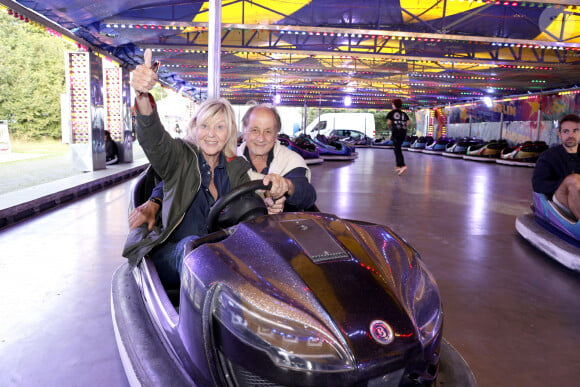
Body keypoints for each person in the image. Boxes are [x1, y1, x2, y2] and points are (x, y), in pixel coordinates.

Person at [122, 49, 292, 286]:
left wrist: (270, 202)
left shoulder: (236, 169)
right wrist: (142, 95)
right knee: (195, 248)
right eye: (205, 126)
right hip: (175, 256)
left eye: (220, 127)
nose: (211, 134)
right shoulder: (180, 157)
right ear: (195, 128)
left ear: (230, 132)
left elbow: (249, 204)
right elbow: (154, 139)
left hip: (218, 261)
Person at [128, 104, 317, 232]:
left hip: (262, 236)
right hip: (189, 248)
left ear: (277, 134)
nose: (261, 137)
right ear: (244, 131)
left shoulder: (286, 161)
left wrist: (284, 189)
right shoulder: (234, 158)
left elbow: (307, 195)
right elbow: (175, 172)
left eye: (268, 131)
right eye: (254, 130)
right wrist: (155, 200)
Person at [532, 113, 580, 220]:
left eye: (575, 131)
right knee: (573, 180)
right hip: (558, 199)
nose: (570, 135)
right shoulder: (548, 156)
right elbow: (538, 184)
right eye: (566, 131)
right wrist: (566, 184)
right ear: (560, 135)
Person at [386, 99, 410, 175]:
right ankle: (398, 166)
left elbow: (389, 123)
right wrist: (403, 126)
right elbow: (408, 122)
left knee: (397, 149)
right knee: (397, 148)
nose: (392, 106)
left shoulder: (391, 113)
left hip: (396, 132)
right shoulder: (404, 113)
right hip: (403, 132)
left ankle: (402, 165)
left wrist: (390, 127)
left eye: (392, 104)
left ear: (394, 105)